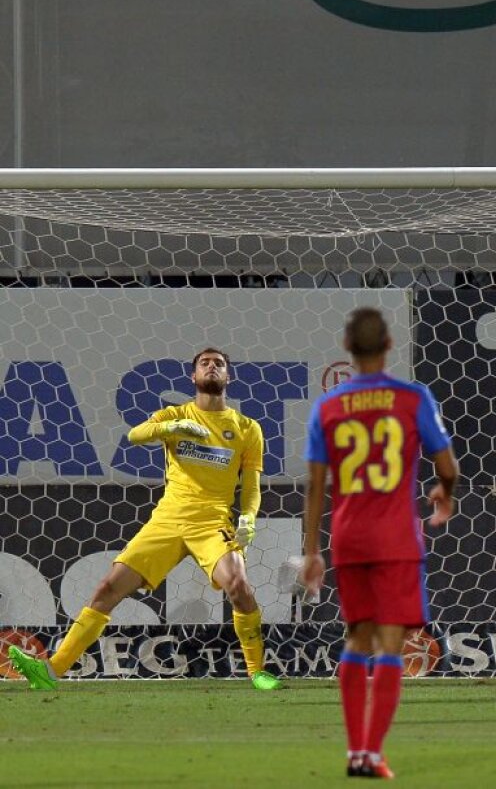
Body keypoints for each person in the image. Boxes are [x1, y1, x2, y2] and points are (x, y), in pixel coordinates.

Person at [7, 348, 280, 691]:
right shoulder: (174, 414)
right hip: (167, 521)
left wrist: (249, 519)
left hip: (211, 522)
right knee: (107, 589)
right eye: (204, 363)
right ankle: (50, 673)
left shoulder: (246, 428)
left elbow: (252, 485)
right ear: (193, 377)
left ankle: (257, 671)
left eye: (219, 364)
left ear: (228, 377)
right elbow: (135, 435)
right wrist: (172, 426)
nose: (212, 367)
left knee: (238, 586)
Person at [301, 307, 459, 779]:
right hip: (395, 537)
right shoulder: (412, 398)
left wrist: (312, 550)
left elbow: (316, 485)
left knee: (356, 638)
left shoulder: (327, 407)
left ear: (347, 347)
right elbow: (447, 465)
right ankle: (371, 753)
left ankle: (353, 751)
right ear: (390, 345)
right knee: (391, 644)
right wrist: (443, 494)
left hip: (348, 538)